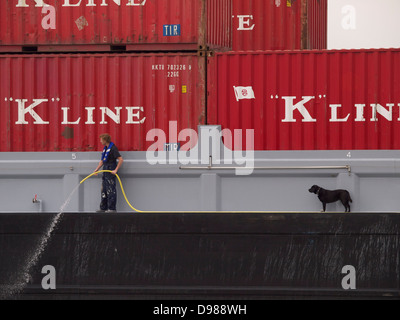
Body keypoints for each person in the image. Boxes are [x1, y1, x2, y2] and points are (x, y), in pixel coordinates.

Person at [94, 134, 123, 213]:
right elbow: (102, 161)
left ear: (105, 140)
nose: (100, 141)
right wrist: (96, 169)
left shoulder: (113, 148)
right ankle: (103, 207)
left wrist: (116, 170)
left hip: (111, 169)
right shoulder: (105, 149)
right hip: (105, 169)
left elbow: (120, 159)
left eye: (101, 140)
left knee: (111, 189)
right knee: (104, 189)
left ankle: (112, 208)